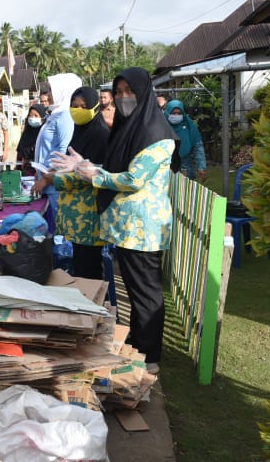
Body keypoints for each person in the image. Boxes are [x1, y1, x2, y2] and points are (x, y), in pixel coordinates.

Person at [53, 67, 178, 375]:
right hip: (126, 228)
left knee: (146, 294)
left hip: (143, 229)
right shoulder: (132, 129)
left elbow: (134, 178)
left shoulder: (157, 135)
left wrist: (93, 173)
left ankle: (150, 358)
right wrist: (84, 165)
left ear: (144, 93)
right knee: (136, 293)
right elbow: (115, 167)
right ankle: (137, 346)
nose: (123, 98)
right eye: (119, 92)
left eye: (129, 92)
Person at [34, 87, 110, 279]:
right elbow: (70, 164)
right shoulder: (80, 132)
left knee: (89, 270)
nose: (77, 110)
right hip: (77, 216)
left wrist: (52, 178)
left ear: (95, 108)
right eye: (74, 106)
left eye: (83, 107)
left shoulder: (100, 134)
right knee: (82, 266)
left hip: (90, 216)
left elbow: (91, 173)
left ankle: (96, 304)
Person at [34, 73, 83, 229]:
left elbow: (64, 152)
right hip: (48, 182)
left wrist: (46, 179)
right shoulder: (56, 114)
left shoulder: (66, 116)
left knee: (61, 229)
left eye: (51, 89)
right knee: (54, 227)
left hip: (56, 183)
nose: (48, 94)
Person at [164, 99, 207, 181]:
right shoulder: (161, 125)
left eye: (179, 113)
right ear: (168, 112)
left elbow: (197, 146)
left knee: (185, 190)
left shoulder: (189, 125)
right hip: (165, 166)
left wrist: (201, 167)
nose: (176, 115)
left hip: (185, 165)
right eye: (173, 113)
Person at [15, 104, 47, 176]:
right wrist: (18, 168)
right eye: (30, 115)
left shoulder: (45, 134)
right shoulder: (26, 133)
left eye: (36, 115)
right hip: (25, 171)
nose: (32, 118)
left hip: (40, 173)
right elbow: (20, 153)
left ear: (42, 117)